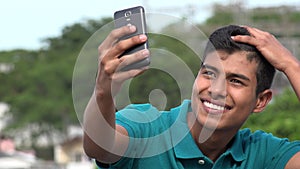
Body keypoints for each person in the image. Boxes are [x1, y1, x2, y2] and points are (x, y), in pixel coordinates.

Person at [83, 24, 300, 168]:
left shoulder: (263, 153)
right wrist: (103, 89)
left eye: (235, 81)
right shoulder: (148, 127)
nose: (216, 89)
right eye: (209, 73)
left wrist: (291, 66)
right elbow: (98, 147)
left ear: (261, 101)